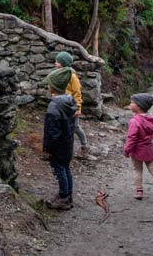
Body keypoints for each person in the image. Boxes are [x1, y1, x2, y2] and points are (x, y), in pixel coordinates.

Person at [124, 93, 153, 203]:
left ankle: (139, 191)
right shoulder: (151, 119)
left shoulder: (134, 121)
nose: (130, 104)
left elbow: (131, 138)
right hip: (149, 149)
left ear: (139, 106)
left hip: (137, 151)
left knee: (137, 170)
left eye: (132, 103)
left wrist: (127, 150)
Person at [41, 67, 77, 210]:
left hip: (57, 147)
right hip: (68, 143)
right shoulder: (70, 102)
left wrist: (47, 149)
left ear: (52, 87)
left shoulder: (54, 107)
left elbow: (52, 133)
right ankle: (68, 195)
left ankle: (63, 198)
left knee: (59, 170)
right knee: (66, 168)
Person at [54, 51, 89, 158]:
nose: (55, 63)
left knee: (75, 127)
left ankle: (84, 144)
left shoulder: (72, 77)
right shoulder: (57, 74)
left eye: (58, 61)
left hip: (71, 106)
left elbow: (77, 93)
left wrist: (78, 108)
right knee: (61, 126)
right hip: (60, 104)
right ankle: (63, 147)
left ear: (63, 63)